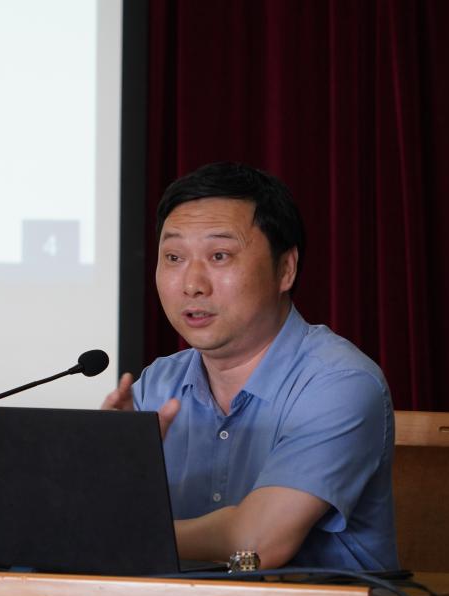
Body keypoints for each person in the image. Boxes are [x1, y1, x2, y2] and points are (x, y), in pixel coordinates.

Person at [103, 162, 398, 570]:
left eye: (219, 256)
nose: (192, 284)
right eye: (173, 257)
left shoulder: (341, 383)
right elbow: (95, 522)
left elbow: (258, 543)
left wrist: (120, 530)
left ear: (285, 269)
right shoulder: (157, 384)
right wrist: (107, 475)